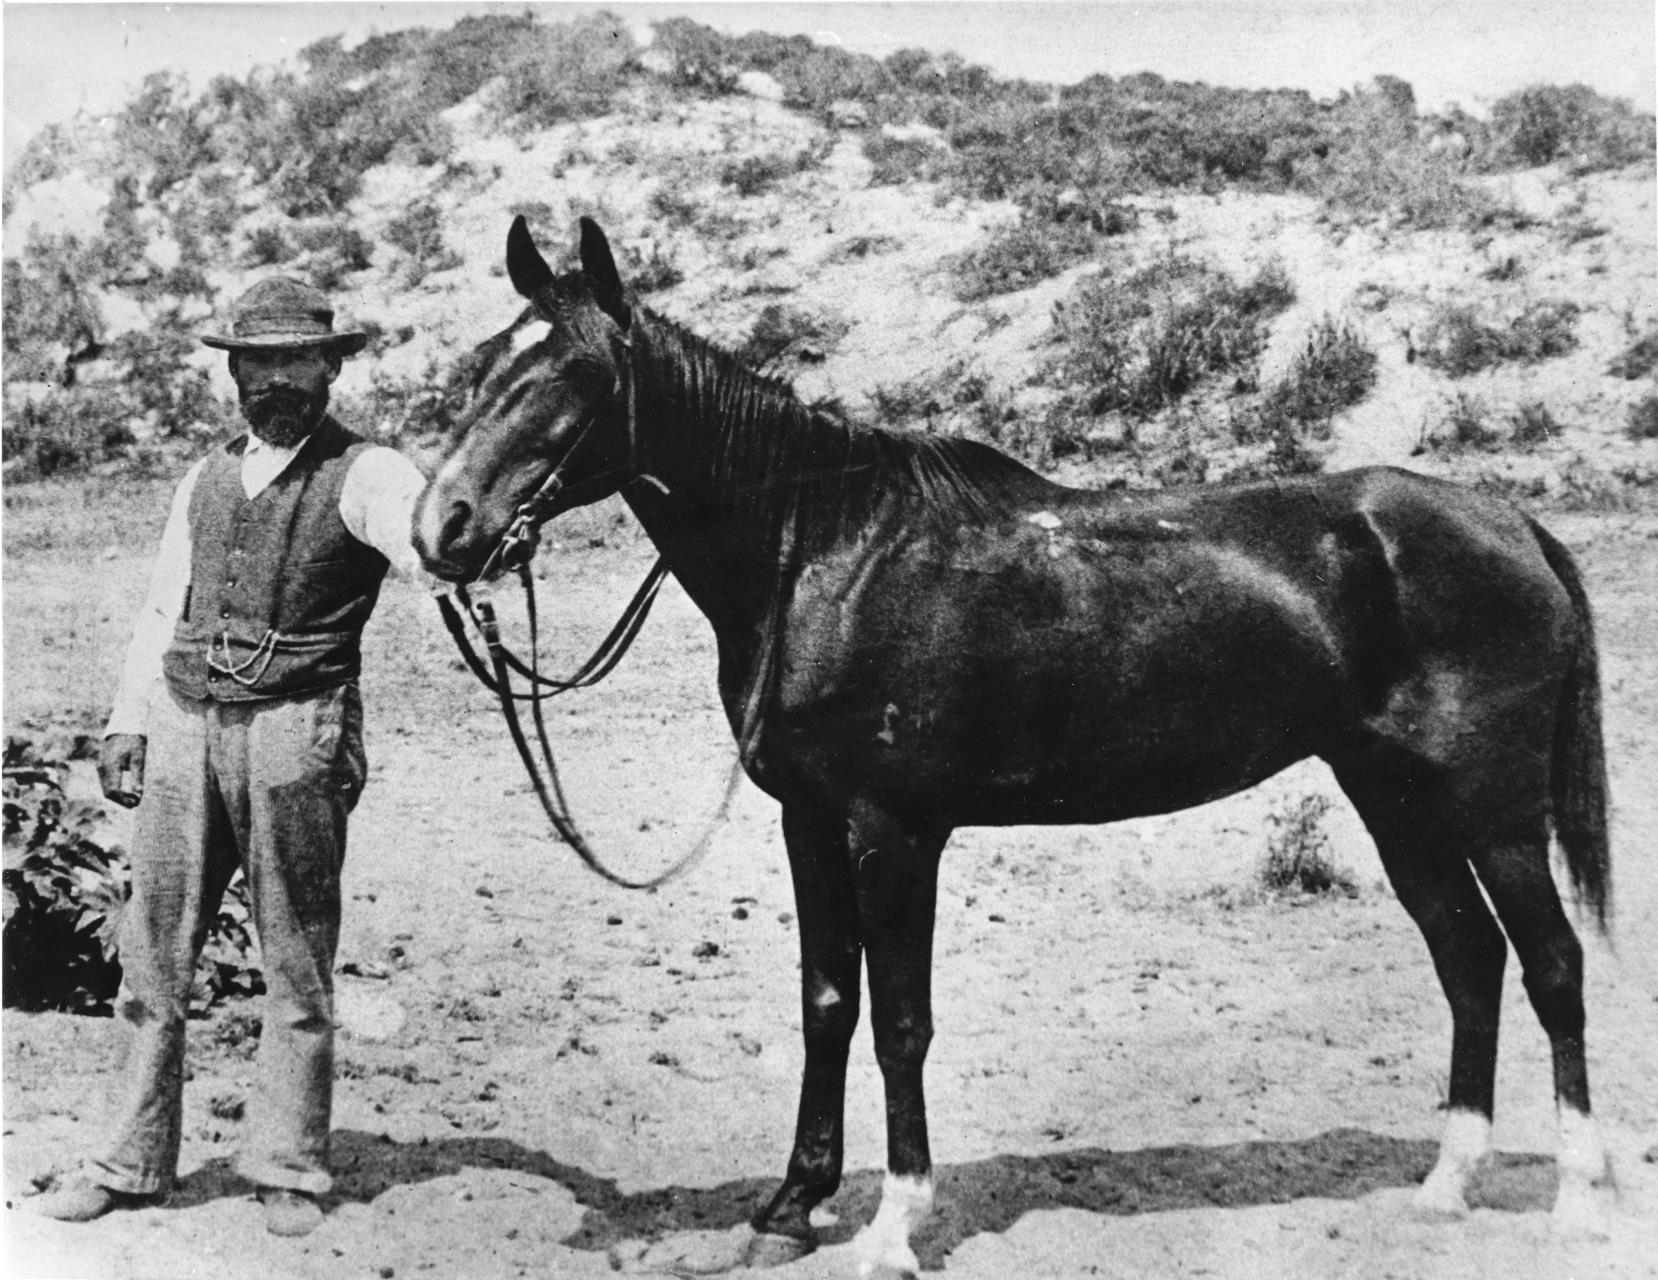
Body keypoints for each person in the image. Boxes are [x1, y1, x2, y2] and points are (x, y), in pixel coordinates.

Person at [34, 278, 429, 1238]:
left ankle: (288, 1163)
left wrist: (481, 545)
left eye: (298, 361)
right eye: (259, 363)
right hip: (180, 719)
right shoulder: (204, 476)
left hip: (299, 726)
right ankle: (127, 1160)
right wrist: (126, 722)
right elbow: (165, 603)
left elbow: (433, 546)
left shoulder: (371, 473)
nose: (277, 381)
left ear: (332, 366)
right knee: (150, 950)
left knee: (295, 953)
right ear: (233, 373)